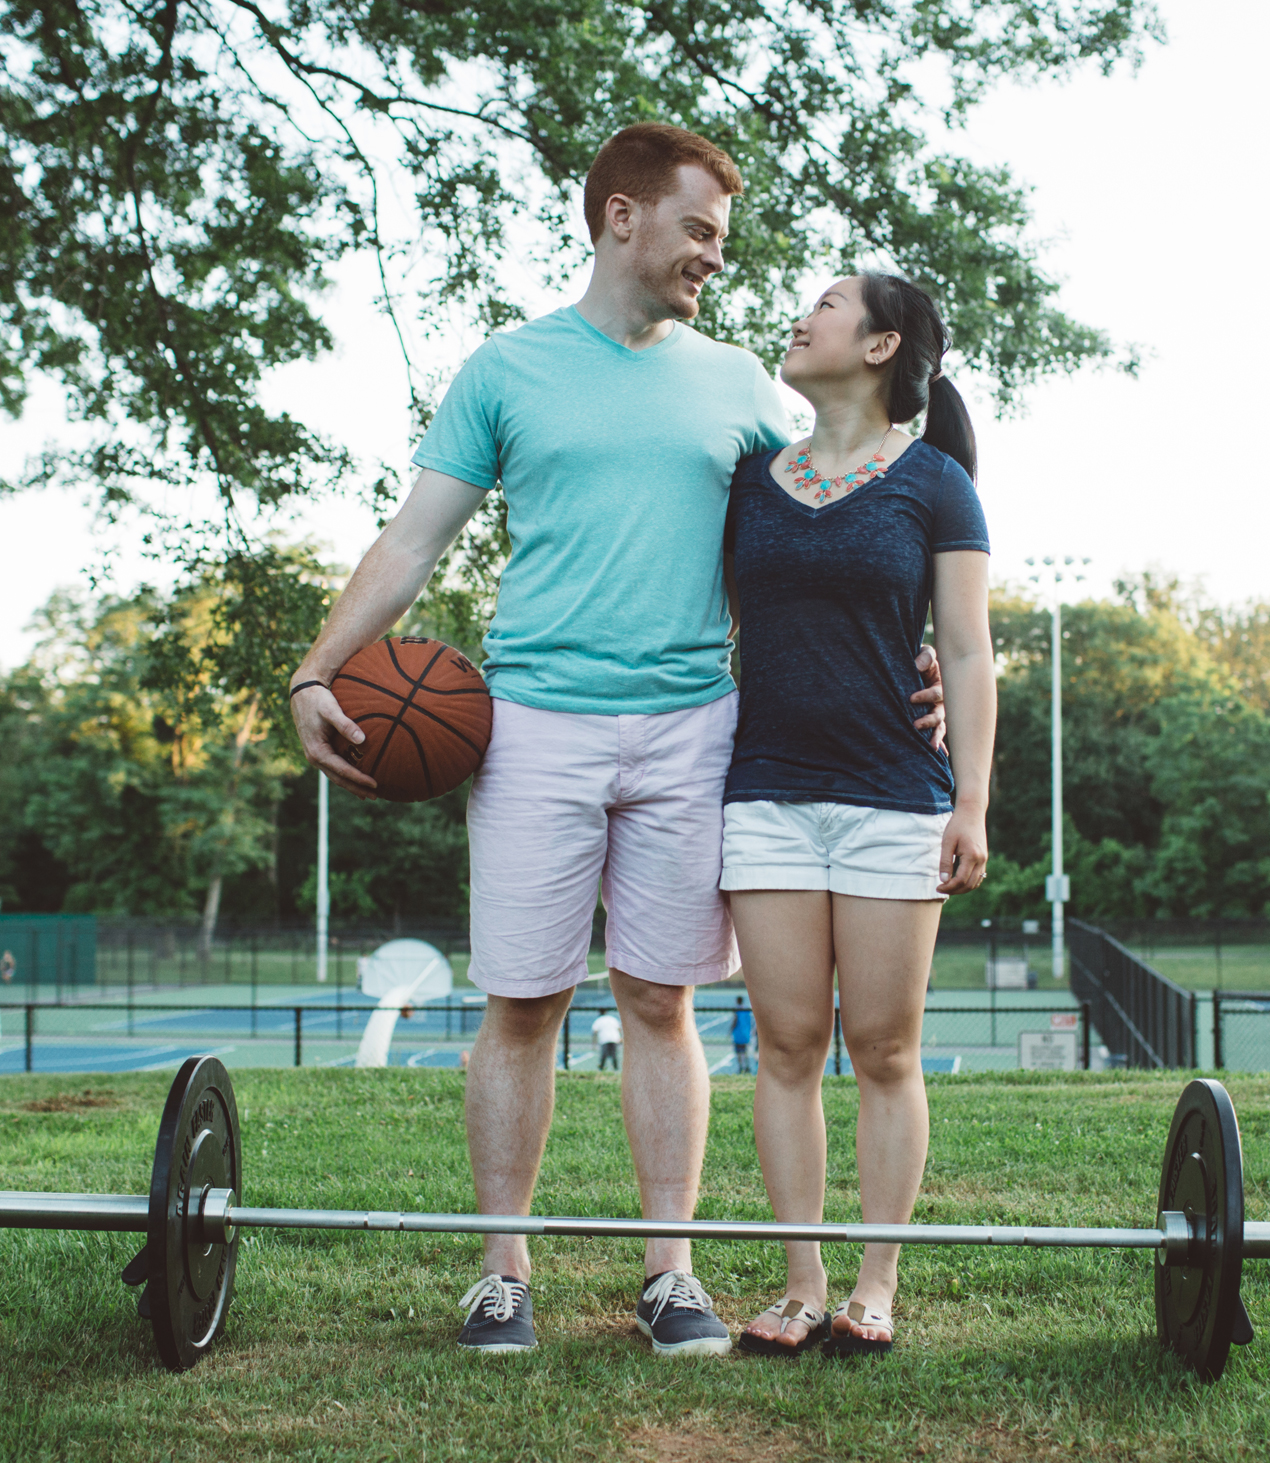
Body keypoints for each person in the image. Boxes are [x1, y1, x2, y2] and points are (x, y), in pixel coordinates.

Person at [286, 123, 943, 1359]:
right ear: (620, 216)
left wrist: (916, 659)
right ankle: (501, 1272)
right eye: (697, 229)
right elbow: (412, 539)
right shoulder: (506, 371)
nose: (712, 255)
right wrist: (316, 666)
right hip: (532, 723)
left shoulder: (745, 383)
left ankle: (670, 1274)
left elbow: (832, 529)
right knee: (523, 1002)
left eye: (721, 239)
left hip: (696, 727)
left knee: (660, 997)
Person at [726, 273, 994, 1358]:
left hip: (894, 801)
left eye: (826, 303)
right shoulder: (748, 478)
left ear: (882, 343)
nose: (801, 315)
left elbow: (968, 649)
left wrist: (972, 798)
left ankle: (874, 1285)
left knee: (884, 1049)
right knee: (785, 1046)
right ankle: (800, 1284)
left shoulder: (934, 483)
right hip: (766, 797)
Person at [729, 996, 755, 1075]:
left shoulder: (737, 1010)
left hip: (738, 1034)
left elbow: (735, 1021)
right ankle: (747, 1066)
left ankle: (741, 1067)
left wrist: (730, 1030)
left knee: (738, 1052)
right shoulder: (747, 1009)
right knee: (745, 1051)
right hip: (745, 1033)